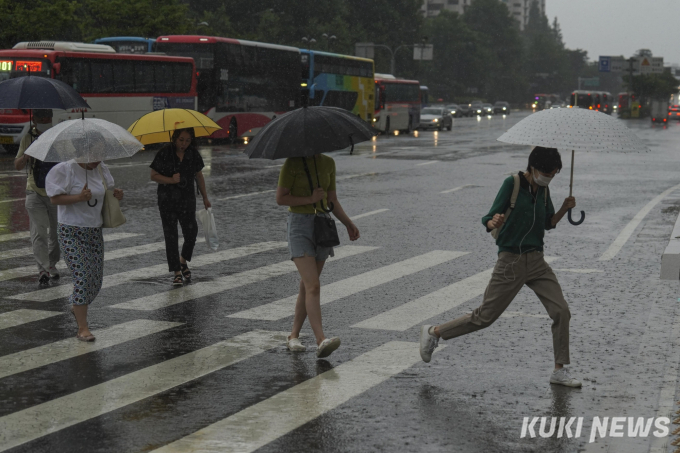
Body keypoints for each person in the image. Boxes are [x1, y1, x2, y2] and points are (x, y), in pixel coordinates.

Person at [419, 147, 582, 387]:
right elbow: (488, 218)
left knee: (561, 311)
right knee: (485, 317)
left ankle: (559, 370)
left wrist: (564, 210)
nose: (549, 177)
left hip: (537, 260)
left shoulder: (545, 190)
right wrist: (493, 220)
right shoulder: (512, 184)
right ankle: (435, 333)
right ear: (534, 168)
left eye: (554, 174)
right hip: (511, 261)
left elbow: (548, 223)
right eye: (547, 172)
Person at [276, 154, 360, 358]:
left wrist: (348, 223)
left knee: (307, 285)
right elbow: (281, 198)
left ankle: (293, 335)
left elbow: (332, 200)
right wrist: (310, 199)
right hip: (299, 225)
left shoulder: (328, 163)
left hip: (322, 224)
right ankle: (321, 339)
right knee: (313, 285)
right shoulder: (292, 163)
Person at [46, 160, 123, 341]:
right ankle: (82, 328)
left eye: (99, 154)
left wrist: (117, 194)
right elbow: (54, 198)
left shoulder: (101, 169)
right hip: (70, 231)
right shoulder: (64, 170)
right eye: (93, 155)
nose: (96, 160)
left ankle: (77, 304)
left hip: (94, 231)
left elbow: (107, 192)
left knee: (96, 281)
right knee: (83, 276)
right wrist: (78, 198)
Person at [150, 128, 211, 286]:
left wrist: (205, 197)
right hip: (167, 201)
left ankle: (182, 260)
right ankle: (176, 272)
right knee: (171, 237)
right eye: (181, 140)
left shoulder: (193, 154)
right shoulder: (165, 152)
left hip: (187, 200)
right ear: (175, 138)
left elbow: (199, 175)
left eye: (188, 140)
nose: (184, 144)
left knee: (191, 233)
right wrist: (171, 179)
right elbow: (153, 175)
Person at [13, 109, 59, 285]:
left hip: (56, 193)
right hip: (34, 190)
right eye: (42, 118)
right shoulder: (29, 137)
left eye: (48, 117)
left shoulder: (58, 136)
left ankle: (52, 263)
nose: (46, 120)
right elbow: (17, 165)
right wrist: (27, 154)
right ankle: (43, 270)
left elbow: (71, 161)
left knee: (57, 234)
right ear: (34, 119)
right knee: (38, 232)